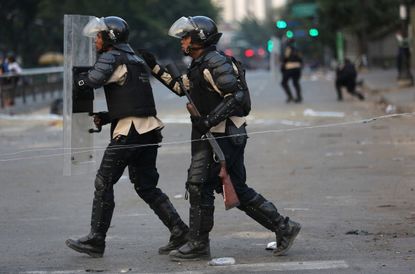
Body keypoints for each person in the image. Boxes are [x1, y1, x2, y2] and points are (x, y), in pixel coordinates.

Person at [139, 16, 301, 261]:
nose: (182, 41)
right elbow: (180, 88)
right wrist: (154, 67)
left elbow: (235, 96)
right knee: (237, 189)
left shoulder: (215, 62)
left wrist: (208, 120)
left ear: (199, 39)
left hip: (222, 135)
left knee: (198, 184)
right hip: (218, 134)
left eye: (185, 37)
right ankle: (283, 227)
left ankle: (198, 243)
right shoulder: (199, 63)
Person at [65, 16, 188, 258]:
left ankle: (96, 240)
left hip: (130, 133)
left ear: (109, 37)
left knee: (104, 181)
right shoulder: (135, 59)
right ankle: (180, 230)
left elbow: (91, 80)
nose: (95, 41)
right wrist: (108, 116)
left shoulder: (112, 57)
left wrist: (75, 79)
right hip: (149, 130)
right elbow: (134, 99)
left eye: (98, 36)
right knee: (146, 186)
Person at [280, 39, 303, 103]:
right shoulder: (298, 50)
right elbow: (301, 60)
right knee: (296, 83)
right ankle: (299, 97)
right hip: (297, 68)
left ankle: (290, 96)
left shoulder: (288, 49)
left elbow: (285, 58)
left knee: (283, 83)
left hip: (289, 68)